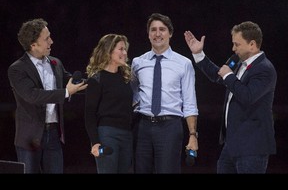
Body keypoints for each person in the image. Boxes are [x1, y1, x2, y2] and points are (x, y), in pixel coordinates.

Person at [184, 21, 277, 173]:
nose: (233, 48)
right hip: (232, 144)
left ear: (252, 44)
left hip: (252, 146)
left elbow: (247, 96)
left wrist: (229, 76)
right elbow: (219, 75)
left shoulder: (265, 69)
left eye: (237, 44)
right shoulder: (238, 61)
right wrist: (199, 54)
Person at [7, 18, 88, 173]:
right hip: (30, 138)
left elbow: (72, 83)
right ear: (33, 45)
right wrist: (65, 92)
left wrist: (98, 83)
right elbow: (33, 95)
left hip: (54, 135)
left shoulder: (55, 63)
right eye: (46, 39)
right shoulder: (17, 69)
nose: (51, 41)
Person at [131, 13, 199, 173]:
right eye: (153, 30)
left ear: (170, 33)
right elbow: (132, 93)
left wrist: (193, 135)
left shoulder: (184, 63)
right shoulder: (137, 62)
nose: (157, 34)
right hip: (142, 127)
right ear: (148, 35)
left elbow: (190, 102)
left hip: (170, 127)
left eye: (162, 29)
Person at [85, 34, 134, 173]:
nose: (124, 53)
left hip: (127, 135)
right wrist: (95, 142)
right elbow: (89, 114)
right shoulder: (96, 79)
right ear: (109, 51)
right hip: (107, 135)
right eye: (121, 49)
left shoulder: (126, 78)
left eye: (125, 49)